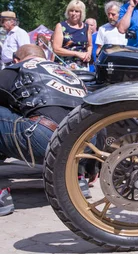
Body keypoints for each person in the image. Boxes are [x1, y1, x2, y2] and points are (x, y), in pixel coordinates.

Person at [0, 45, 90, 215]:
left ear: (16, 60)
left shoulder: (19, 68)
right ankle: (78, 178)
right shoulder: (68, 72)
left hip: (47, 138)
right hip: (87, 145)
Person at [52, 0, 92, 70]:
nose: (73, 13)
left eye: (77, 11)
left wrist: (88, 54)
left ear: (81, 13)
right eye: (71, 10)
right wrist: (76, 53)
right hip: (64, 66)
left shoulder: (86, 27)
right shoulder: (61, 26)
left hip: (82, 66)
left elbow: (90, 45)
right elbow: (56, 49)